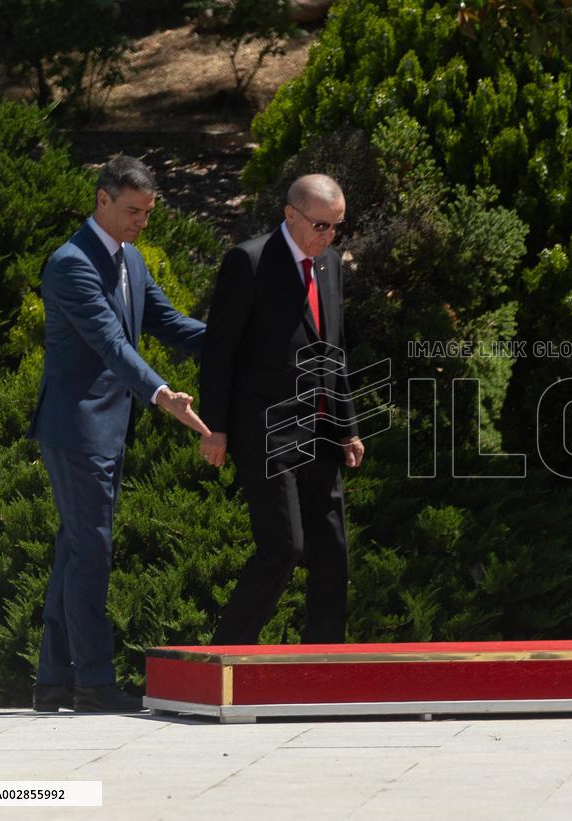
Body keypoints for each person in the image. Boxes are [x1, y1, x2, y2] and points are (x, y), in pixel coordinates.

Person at [27, 155, 211, 712]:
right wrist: (161, 395)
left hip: (106, 429)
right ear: (102, 199)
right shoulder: (71, 263)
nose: (141, 222)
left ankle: (52, 682)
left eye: (148, 213)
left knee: (76, 552)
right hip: (77, 427)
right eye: (133, 211)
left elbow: (171, 324)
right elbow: (112, 344)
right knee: (93, 550)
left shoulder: (130, 259)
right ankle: (94, 684)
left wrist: (240, 337)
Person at [199, 173, 364, 646]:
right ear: (290, 214)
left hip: (321, 431)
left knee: (332, 549)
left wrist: (348, 426)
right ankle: (227, 650)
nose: (329, 236)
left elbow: (335, 349)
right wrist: (216, 428)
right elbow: (219, 352)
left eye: (337, 226)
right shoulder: (248, 262)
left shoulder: (329, 263)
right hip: (266, 432)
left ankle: (325, 660)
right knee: (283, 547)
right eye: (320, 225)